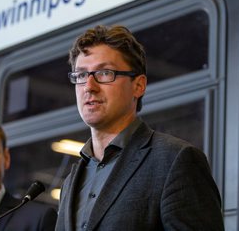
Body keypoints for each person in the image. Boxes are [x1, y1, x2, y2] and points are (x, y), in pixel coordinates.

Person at [55, 25, 224, 230]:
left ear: (138, 85)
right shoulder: (70, 183)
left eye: (105, 73)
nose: (89, 86)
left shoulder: (175, 161)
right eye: (81, 75)